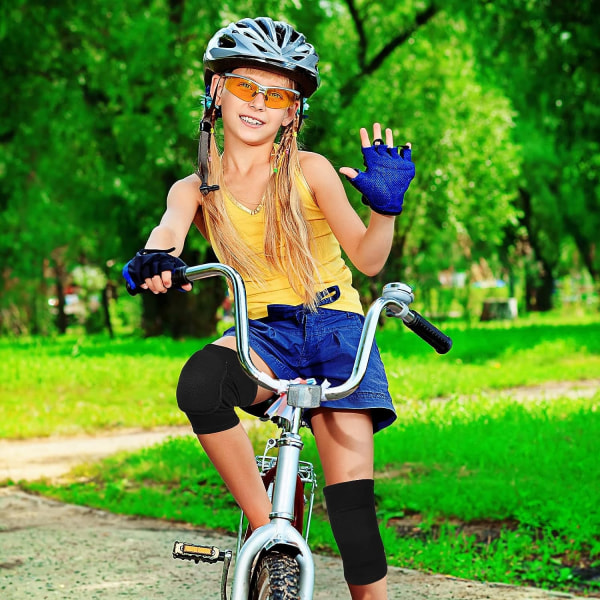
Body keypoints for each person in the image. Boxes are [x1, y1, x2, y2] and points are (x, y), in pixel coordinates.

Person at [122, 17, 414, 600]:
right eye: (245, 87)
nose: (259, 102)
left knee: (353, 513)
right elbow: (168, 233)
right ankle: (270, 534)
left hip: (337, 333)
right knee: (202, 382)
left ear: (291, 112)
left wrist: (386, 211)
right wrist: (156, 260)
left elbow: (369, 259)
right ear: (216, 92)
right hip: (264, 336)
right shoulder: (194, 188)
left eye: (276, 94)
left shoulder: (310, 171)